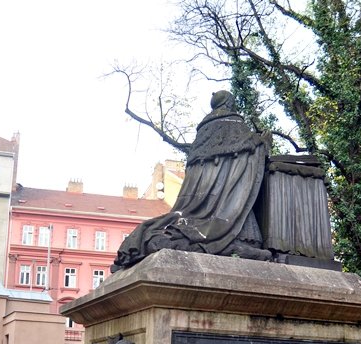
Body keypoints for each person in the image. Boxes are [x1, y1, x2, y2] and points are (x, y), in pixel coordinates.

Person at [111, 90, 271, 272]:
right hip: (226, 201)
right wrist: (264, 140)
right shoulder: (233, 124)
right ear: (228, 103)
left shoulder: (203, 133)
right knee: (232, 215)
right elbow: (251, 148)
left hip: (200, 203)